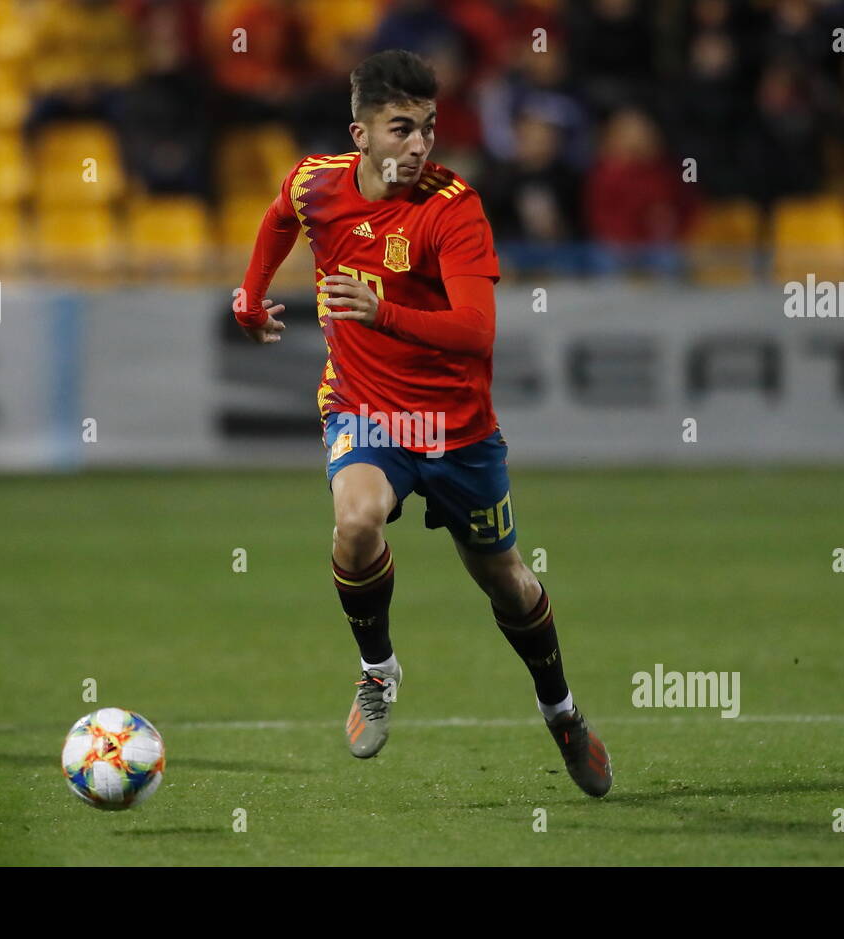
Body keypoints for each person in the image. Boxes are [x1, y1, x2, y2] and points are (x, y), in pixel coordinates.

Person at [232, 49, 610, 797]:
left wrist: (385, 313)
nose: (419, 145)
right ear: (360, 134)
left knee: (507, 581)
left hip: (458, 428)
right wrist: (249, 295)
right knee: (356, 522)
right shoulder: (319, 184)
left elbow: (476, 331)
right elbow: (281, 216)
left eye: (428, 129)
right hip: (364, 409)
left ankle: (561, 710)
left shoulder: (453, 208)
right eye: (401, 129)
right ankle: (378, 672)